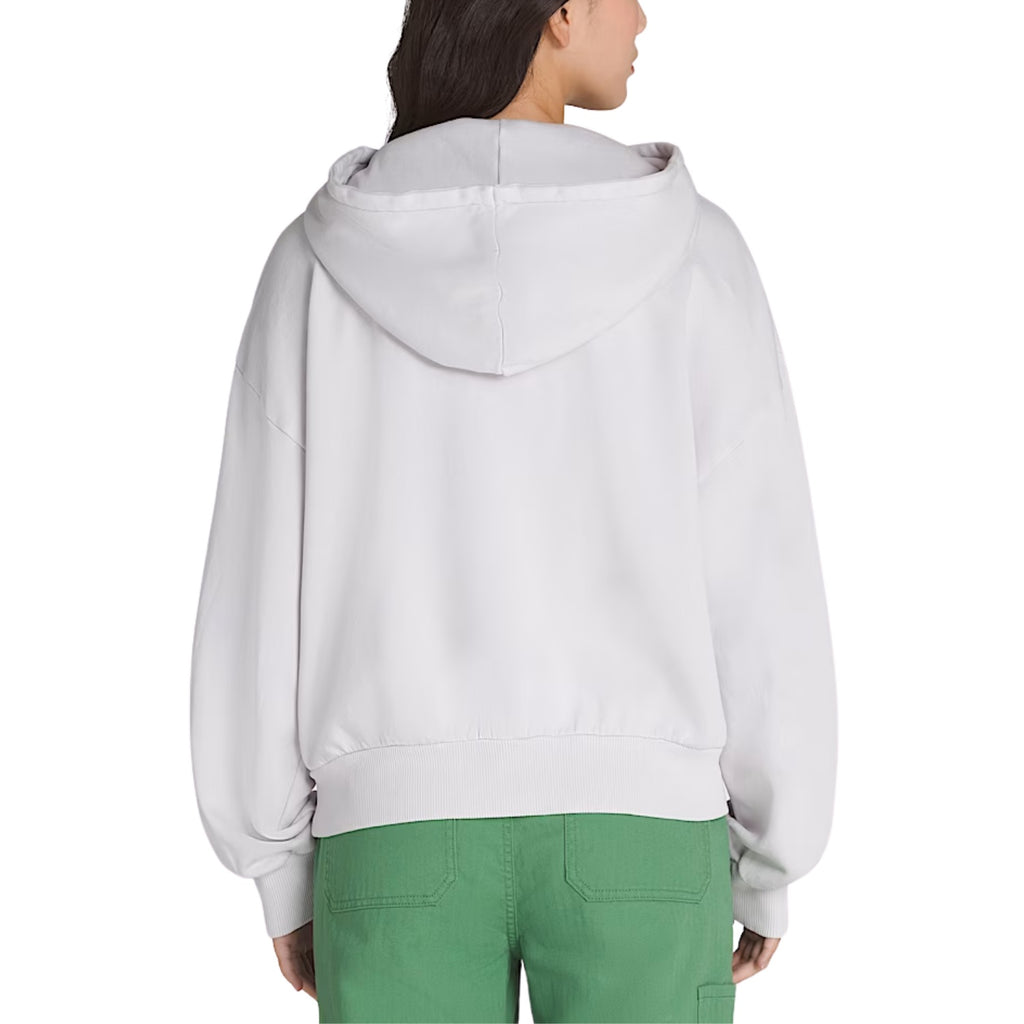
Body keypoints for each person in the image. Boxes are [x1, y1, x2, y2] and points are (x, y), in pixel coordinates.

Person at [189, 1, 838, 1021]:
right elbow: (761, 568)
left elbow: (257, 577)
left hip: (392, 840)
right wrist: (772, 852)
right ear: (558, 12)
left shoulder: (314, 265)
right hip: (645, 833)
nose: (642, 15)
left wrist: (277, 862)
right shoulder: (694, 253)